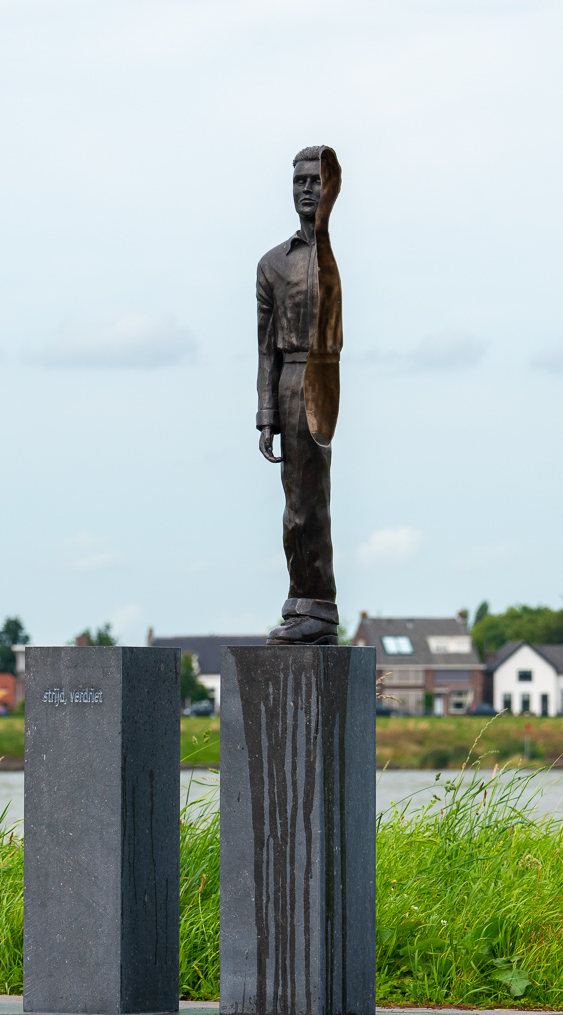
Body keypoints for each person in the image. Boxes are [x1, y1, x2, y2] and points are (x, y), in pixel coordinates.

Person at [254, 146, 344, 645]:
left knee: (312, 500)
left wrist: (325, 222)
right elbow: (264, 346)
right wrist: (266, 412)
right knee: (293, 504)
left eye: (316, 181)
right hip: (286, 377)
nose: (307, 190)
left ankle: (319, 605)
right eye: (299, 182)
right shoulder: (272, 264)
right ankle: (301, 602)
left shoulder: (328, 253)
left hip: (321, 375)